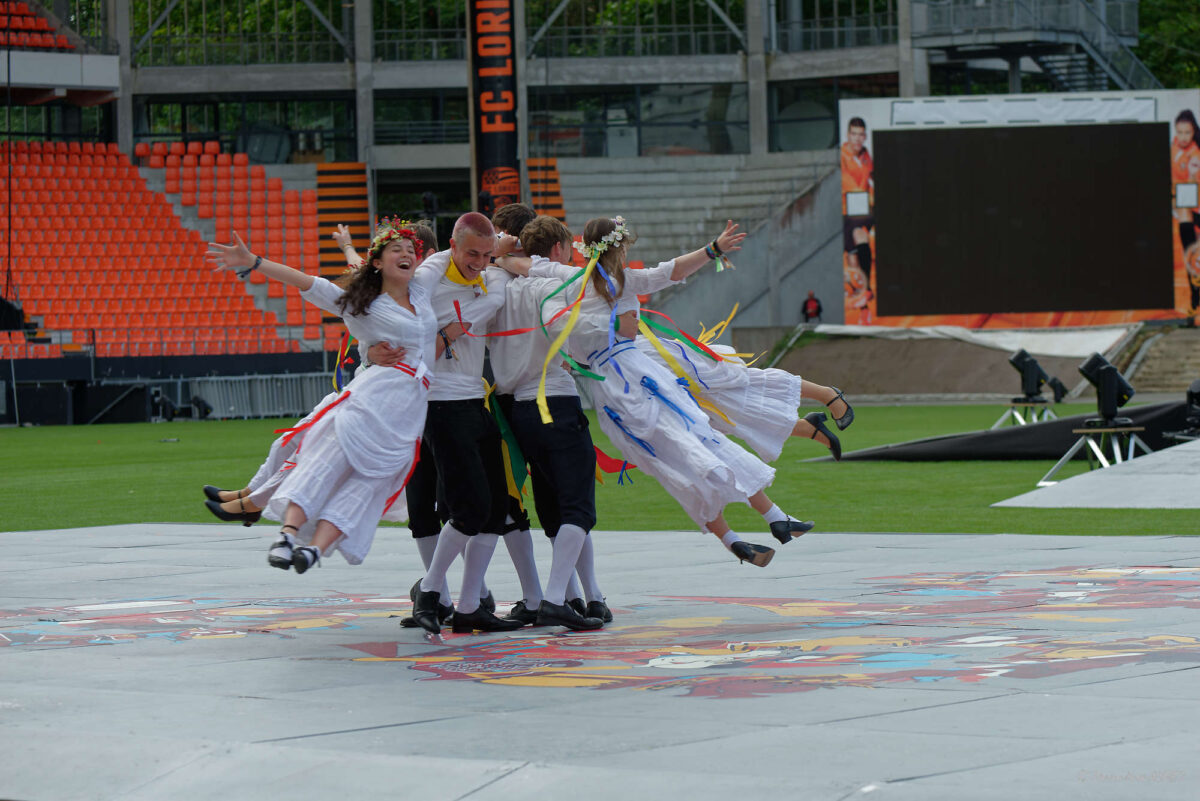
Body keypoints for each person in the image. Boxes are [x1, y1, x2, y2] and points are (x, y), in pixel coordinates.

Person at [496, 216, 816, 567]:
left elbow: (524, 265)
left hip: (609, 388)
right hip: (636, 375)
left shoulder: (570, 278)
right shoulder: (616, 280)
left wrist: (501, 255)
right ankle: (773, 519)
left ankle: (741, 534)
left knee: (673, 458)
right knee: (698, 441)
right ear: (620, 248)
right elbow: (670, 271)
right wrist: (712, 250)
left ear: (585, 247)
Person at [204, 219, 437, 572]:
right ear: (378, 262)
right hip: (371, 400)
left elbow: (465, 252)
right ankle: (280, 530)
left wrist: (504, 246)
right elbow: (308, 282)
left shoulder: (419, 288)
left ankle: (310, 549)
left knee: (365, 488)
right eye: (397, 249)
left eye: (411, 250)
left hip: (407, 415)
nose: (406, 254)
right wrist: (254, 262)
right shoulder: (362, 302)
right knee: (317, 459)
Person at [404, 212, 528, 635]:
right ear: (453, 246)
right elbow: (411, 337)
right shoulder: (428, 279)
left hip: (475, 400)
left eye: (485, 255)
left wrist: (497, 262)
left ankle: (471, 605)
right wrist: (448, 333)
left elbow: (497, 291)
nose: (478, 262)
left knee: (494, 508)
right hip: (440, 405)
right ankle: (431, 591)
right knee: (467, 508)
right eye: (471, 253)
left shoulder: (488, 278)